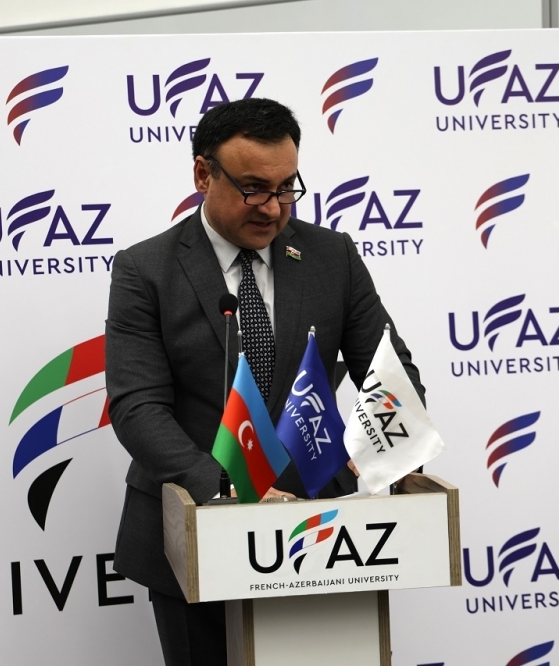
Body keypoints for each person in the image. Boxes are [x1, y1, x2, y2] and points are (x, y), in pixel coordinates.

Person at [105, 98, 424, 666]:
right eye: (253, 189)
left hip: (324, 533)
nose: (273, 208)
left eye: (286, 188)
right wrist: (225, 485)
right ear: (203, 174)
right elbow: (138, 407)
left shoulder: (332, 256)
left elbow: (389, 368)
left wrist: (380, 446)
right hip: (197, 535)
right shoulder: (145, 270)